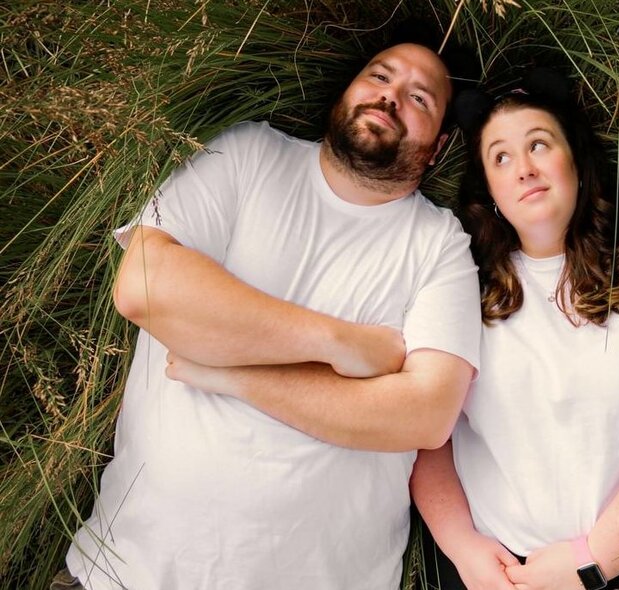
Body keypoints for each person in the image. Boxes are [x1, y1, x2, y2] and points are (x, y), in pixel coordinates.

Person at [59, 40, 481, 590]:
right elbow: (143, 286)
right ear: (348, 89)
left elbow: (424, 415)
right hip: (127, 573)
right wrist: (342, 344)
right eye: (379, 76)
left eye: (419, 98)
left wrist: (229, 372)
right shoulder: (249, 153)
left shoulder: (439, 244)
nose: (390, 96)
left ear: (438, 147)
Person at [409, 74, 619, 590]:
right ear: (490, 192)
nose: (524, 169)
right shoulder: (459, 282)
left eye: (539, 143)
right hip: (490, 573)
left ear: (576, 162)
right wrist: (463, 549)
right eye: (500, 157)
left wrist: (592, 560)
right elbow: (428, 435)